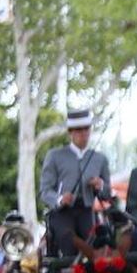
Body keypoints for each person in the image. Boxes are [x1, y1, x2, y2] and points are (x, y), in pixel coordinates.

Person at [39, 108, 113, 257]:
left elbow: (107, 193)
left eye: (86, 129)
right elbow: (44, 191)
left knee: (95, 240)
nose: (83, 133)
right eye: (78, 130)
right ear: (70, 132)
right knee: (68, 239)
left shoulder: (99, 158)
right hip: (62, 213)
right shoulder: (55, 156)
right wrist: (59, 199)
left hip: (87, 211)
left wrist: (101, 186)